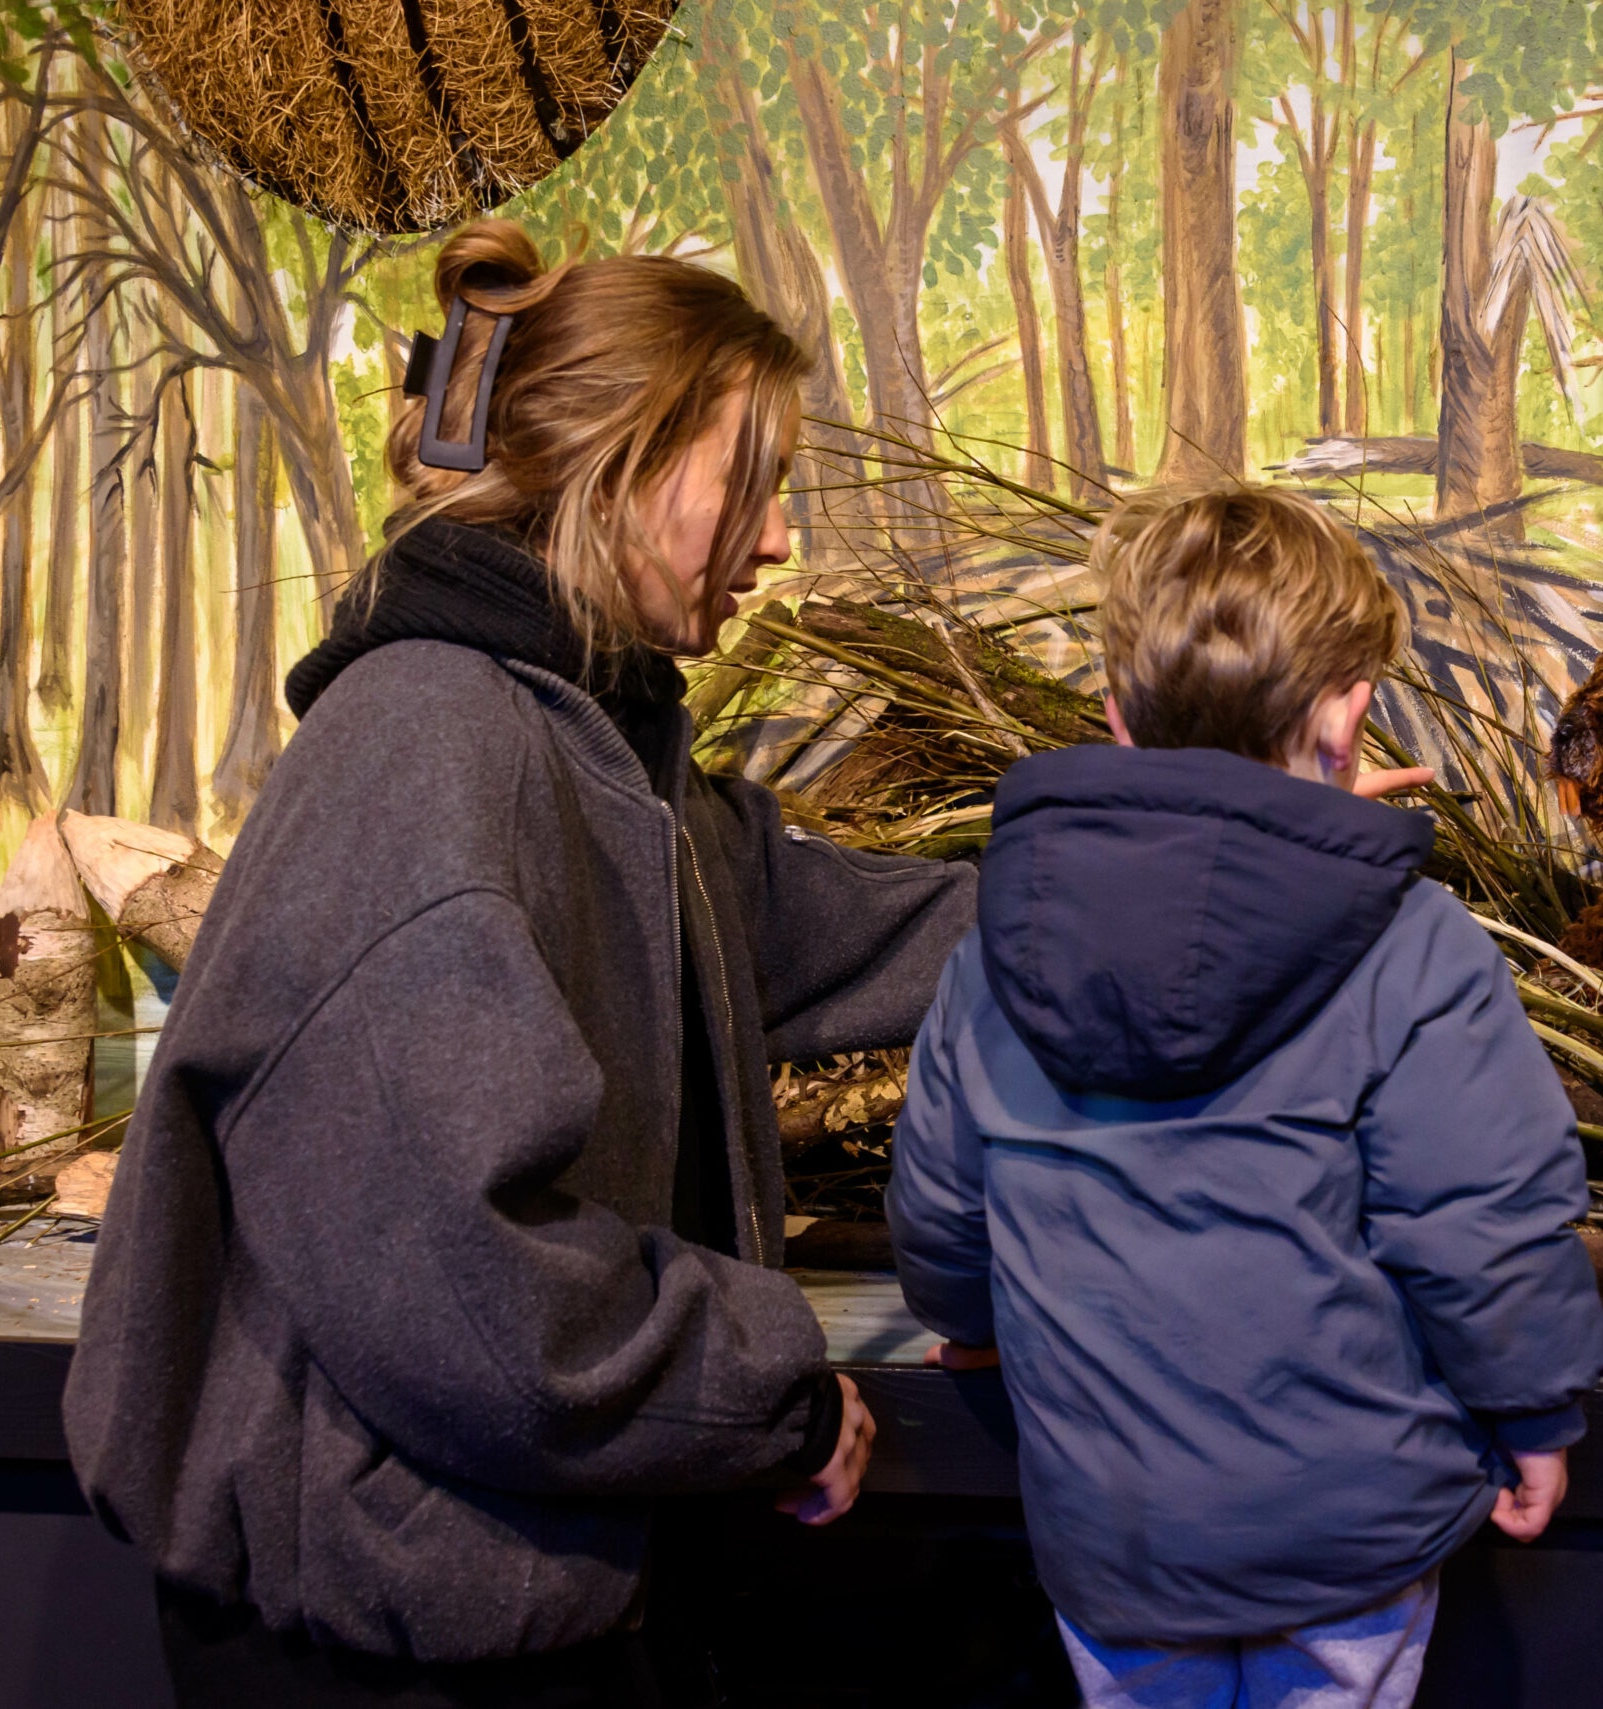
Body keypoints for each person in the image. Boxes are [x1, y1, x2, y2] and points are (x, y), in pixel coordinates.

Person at [62, 221, 976, 1705]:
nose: (780, 539)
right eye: (755, 481)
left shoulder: (603, 751)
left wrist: (1218, 844)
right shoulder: (427, 746)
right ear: (619, 460)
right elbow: (471, 1285)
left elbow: (859, 925)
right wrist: (763, 1385)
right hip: (387, 1654)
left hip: (511, 1612)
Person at [886, 485, 1603, 1709]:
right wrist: (1536, 1407)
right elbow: (1481, 1222)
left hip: (1117, 1539)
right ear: (1350, 714)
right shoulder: (1413, 944)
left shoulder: (999, 943)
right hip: (1348, 1538)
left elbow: (944, 1204)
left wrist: (968, 1319)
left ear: (1115, 719)